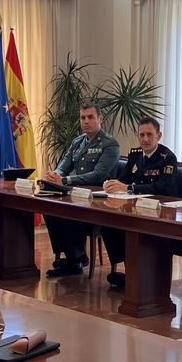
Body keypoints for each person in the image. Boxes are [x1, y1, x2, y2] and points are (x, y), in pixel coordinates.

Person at [42, 103, 120, 276]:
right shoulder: (78, 142)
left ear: (100, 119)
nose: (86, 121)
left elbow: (98, 175)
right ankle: (73, 257)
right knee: (49, 207)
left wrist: (65, 179)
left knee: (71, 210)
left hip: (99, 199)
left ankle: (75, 260)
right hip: (78, 194)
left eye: (91, 117)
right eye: (83, 117)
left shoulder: (110, 144)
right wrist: (54, 175)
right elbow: (64, 166)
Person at [100, 117, 179, 288]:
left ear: (159, 136)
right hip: (135, 207)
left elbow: (162, 187)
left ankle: (139, 278)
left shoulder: (167, 158)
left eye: (149, 135)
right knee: (108, 223)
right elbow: (125, 178)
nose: (145, 139)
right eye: (141, 135)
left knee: (133, 227)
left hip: (160, 211)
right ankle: (132, 273)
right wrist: (112, 184)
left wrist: (130, 187)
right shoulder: (135, 155)